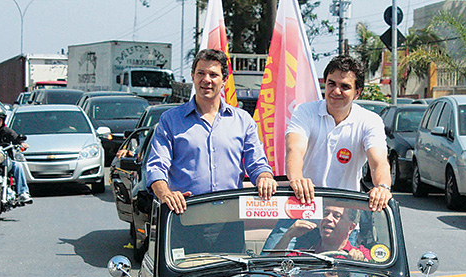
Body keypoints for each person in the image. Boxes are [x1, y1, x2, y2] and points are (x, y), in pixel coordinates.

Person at [145, 48, 276, 214]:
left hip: (229, 218)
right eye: (201, 73)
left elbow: (257, 164)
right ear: (193, 77)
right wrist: (166, 194)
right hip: (184, 216)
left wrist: (265, 178)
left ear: (224, 80)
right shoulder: (170, 120)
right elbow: (156, 166)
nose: (206, 80)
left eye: (213, 75)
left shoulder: (243, 121)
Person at [284, 55, 392, 212]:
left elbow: (378, 161)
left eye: (345, 87)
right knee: (276, 238)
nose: (336, 91)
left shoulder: (370, 120)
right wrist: (297, 179)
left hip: (344, 212)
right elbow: (294, 149)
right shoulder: (304, 111)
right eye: (331, 84)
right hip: (302, 203)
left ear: (357, 93)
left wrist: (382, 187)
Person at [272, 204, 370, 261]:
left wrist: (361, 262)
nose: (328, 218)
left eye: (337, 216)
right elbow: (272, 273)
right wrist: (288, 235)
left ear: (350, 227)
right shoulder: (303, 255)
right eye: (326, 214)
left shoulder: (362, 253)